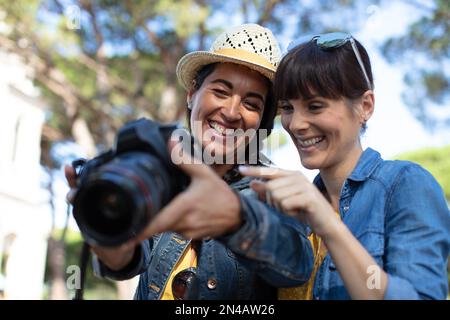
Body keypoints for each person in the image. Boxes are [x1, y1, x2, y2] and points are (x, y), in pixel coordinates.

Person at [65, 24, 313, 300]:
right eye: (220, 91)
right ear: (192, 93)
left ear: (263, 122)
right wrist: (110, 238)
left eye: (251, 104)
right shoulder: (160, 173)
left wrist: (237, 219)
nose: (231, 112)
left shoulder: (274, 188)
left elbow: (297, 264)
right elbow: (126, 261)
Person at [240, 32, 450, 299]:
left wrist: (330, 226)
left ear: (365, 106)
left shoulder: (405, 185)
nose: (296, 124)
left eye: (315, 106)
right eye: (287, 108)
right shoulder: (288, 208)